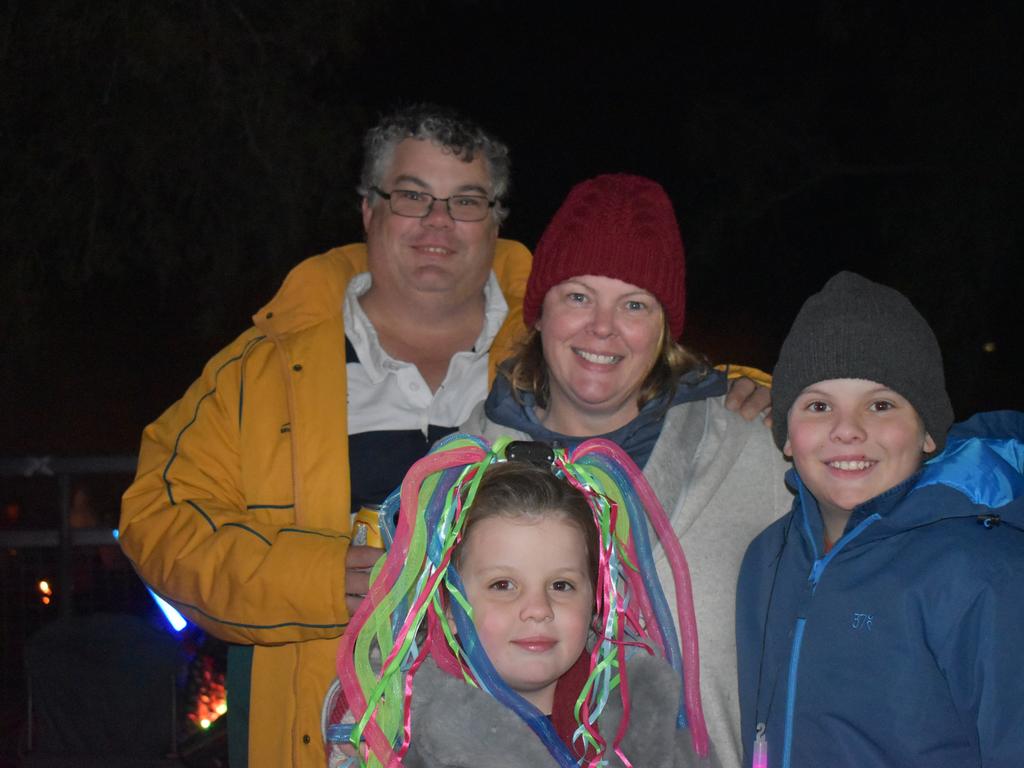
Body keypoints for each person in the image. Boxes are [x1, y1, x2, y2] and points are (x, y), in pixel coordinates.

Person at [119, 107, 768, 767]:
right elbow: (156, 516)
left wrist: (759, 391)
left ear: (496, 219)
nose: (438, 223)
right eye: (412, 196)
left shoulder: (540, 345)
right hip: (327, 735)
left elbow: (644, 366)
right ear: (369, 210)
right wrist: (319, 579)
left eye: (465, 201)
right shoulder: (263, 370)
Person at [462, 173, 792, 768]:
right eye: (578, 296)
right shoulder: (463, 469)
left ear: (664, 327)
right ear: (540, 313)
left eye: (634, 303)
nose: (603, 328)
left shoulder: (752, 451)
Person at [735, 272, 1024, 768]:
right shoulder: (766, 559)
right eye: (819, 405)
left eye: (881, 404)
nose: (848, 430)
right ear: (786, 436)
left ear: (928, 433)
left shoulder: (985, 572)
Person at [333, 436, 718, 767]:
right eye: (503, 585)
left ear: (597, 598)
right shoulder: (390, 733)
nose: (538, 609)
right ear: (447, 606)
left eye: (562, 586)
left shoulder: (651, 723)